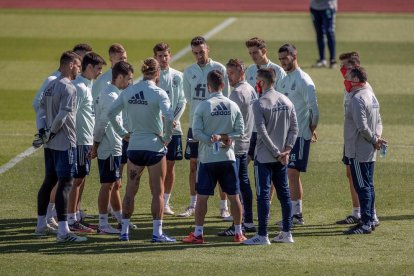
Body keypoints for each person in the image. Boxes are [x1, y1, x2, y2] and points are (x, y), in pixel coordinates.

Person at [108, 58, 176, 242]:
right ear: (157, 73)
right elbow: (169, 117)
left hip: (135, 147)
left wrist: (123, 133)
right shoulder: (159, 93)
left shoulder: (129, 91)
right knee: (157, 192)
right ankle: (157, 233)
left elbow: (110, 113)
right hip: (154, 147)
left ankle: (124, 232)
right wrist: (167, 138)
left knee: (130, 190)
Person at [32, 43, 93, 227]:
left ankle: (41, 225)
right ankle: (64, 230)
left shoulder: (50, 85)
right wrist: (50, 133)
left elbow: (40, 110)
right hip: (65, 142)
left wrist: (43, 132)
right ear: (70, 65)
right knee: (66, 183)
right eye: (78, 65)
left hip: (50, 144)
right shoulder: (69, 88)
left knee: (49, 181)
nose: (80, 69)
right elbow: (62, 116)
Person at [182, 70, 246, 244]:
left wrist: (211, 139)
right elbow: (240, 131)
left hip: (208, 159)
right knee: (234, 196)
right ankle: (239, 233)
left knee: (202, 197)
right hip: (228, 158)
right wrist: (225, 137)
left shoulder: (202, 106)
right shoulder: (232, 105)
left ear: (208, 86)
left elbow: (196, 133)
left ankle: (198, 234)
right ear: (223, 85)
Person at [179, 36, 232, 220]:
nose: (199, 56)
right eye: (195, 53)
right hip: (196, 126)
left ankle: (223, 207)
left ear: (207, 49)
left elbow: (226, 99)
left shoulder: (219, 69)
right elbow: (188, 98)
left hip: (216, 127)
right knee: (193, 164)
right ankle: (193, 204)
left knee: (220, 164)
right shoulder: (188, 71)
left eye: (201, 52)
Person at [243, 68, 298, 245]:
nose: (255, 83)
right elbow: (295, 128)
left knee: (263, 196)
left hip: (265, 158)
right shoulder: (287, 100)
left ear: (262, 82)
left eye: (257, 80)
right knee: (284, 194)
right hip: (282, 159)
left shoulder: (259, 103)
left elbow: (262, 132)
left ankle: (262, 235)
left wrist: (276, 152)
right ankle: (287, 233)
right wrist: (287, 150)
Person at [277, 43, 319, 226]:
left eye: (285, 58)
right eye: (280, 60)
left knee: (292, 172)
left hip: (300, 135)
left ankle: (297, 215)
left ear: (294, 56)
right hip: (286, 135)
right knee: (289, 173)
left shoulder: (304, 80)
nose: (283, 62)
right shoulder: (285, 79)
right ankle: (294, 213)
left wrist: (311, 128)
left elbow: (314, 109)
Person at [90, 61, 134, 235]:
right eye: (128, 79)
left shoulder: (110, 92)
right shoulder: (111, 96)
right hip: (108, 147)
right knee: (107, 184)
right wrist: (96, 145)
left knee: (115, 183)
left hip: (113, 146)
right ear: (120, 77)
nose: (130, 82)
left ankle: (121, 219)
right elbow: (102, 123)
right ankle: (102, 224)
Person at [342, 66, 386, 234]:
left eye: (347, 78)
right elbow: (379, 121)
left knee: (362, 187)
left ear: (355, 81)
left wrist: (375, 139)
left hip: (357, 151)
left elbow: (362, 127)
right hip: (369, 150)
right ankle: (371, 219)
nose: (345, 81)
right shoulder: (371, 96)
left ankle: (366, 223)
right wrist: (377, 138)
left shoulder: (357, 98)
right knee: (369, 185)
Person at [67, 52, 106, 233]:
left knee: (80, 179)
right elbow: (70, 115)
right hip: (80, 140)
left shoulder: (86, 85)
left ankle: (75, 216)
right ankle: (71, 219)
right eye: (98, 69)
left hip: (86, 139)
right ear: (89, 67)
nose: (99, 73)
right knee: (77, 179)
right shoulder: (79, 87)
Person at [217, 59, 257, 237]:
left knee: (235, 186)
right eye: (227, 74)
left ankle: (237, 224)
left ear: (241, 72)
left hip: (235, 145)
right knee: (244, 182)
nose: (229, 78)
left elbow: (230, 122)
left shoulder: (236, 94)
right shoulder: (250, 89)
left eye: (231, 73)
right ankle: (247, 221)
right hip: (246, 142)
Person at [153, 42, 186, 215]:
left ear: (170, 56)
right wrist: (160, 120)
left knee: (171, 165)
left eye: (166, 55)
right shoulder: (152, 78)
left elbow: (182, 101)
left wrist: (173, 119)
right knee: (157, 166)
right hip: (156, 129)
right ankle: (157, 199)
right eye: (160, 56)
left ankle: (165, 202)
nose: (163, 59)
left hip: (174, 128)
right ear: (155, 58)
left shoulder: (178, 76)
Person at [244, 37, 286, 166]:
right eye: (250, 53)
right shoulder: (250, 70)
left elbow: (281, 99)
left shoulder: (277, 71)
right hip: (252, 125)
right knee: (243, 162)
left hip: (269, 126)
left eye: (255, 52)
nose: (252, 56)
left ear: (264, 51)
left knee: (268, 165)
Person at [310, 0, 337, 68]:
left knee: (329, 32)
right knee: (319, 33)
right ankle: (322, 60)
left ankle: (332, 60)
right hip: (315, 7)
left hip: (328, 6)